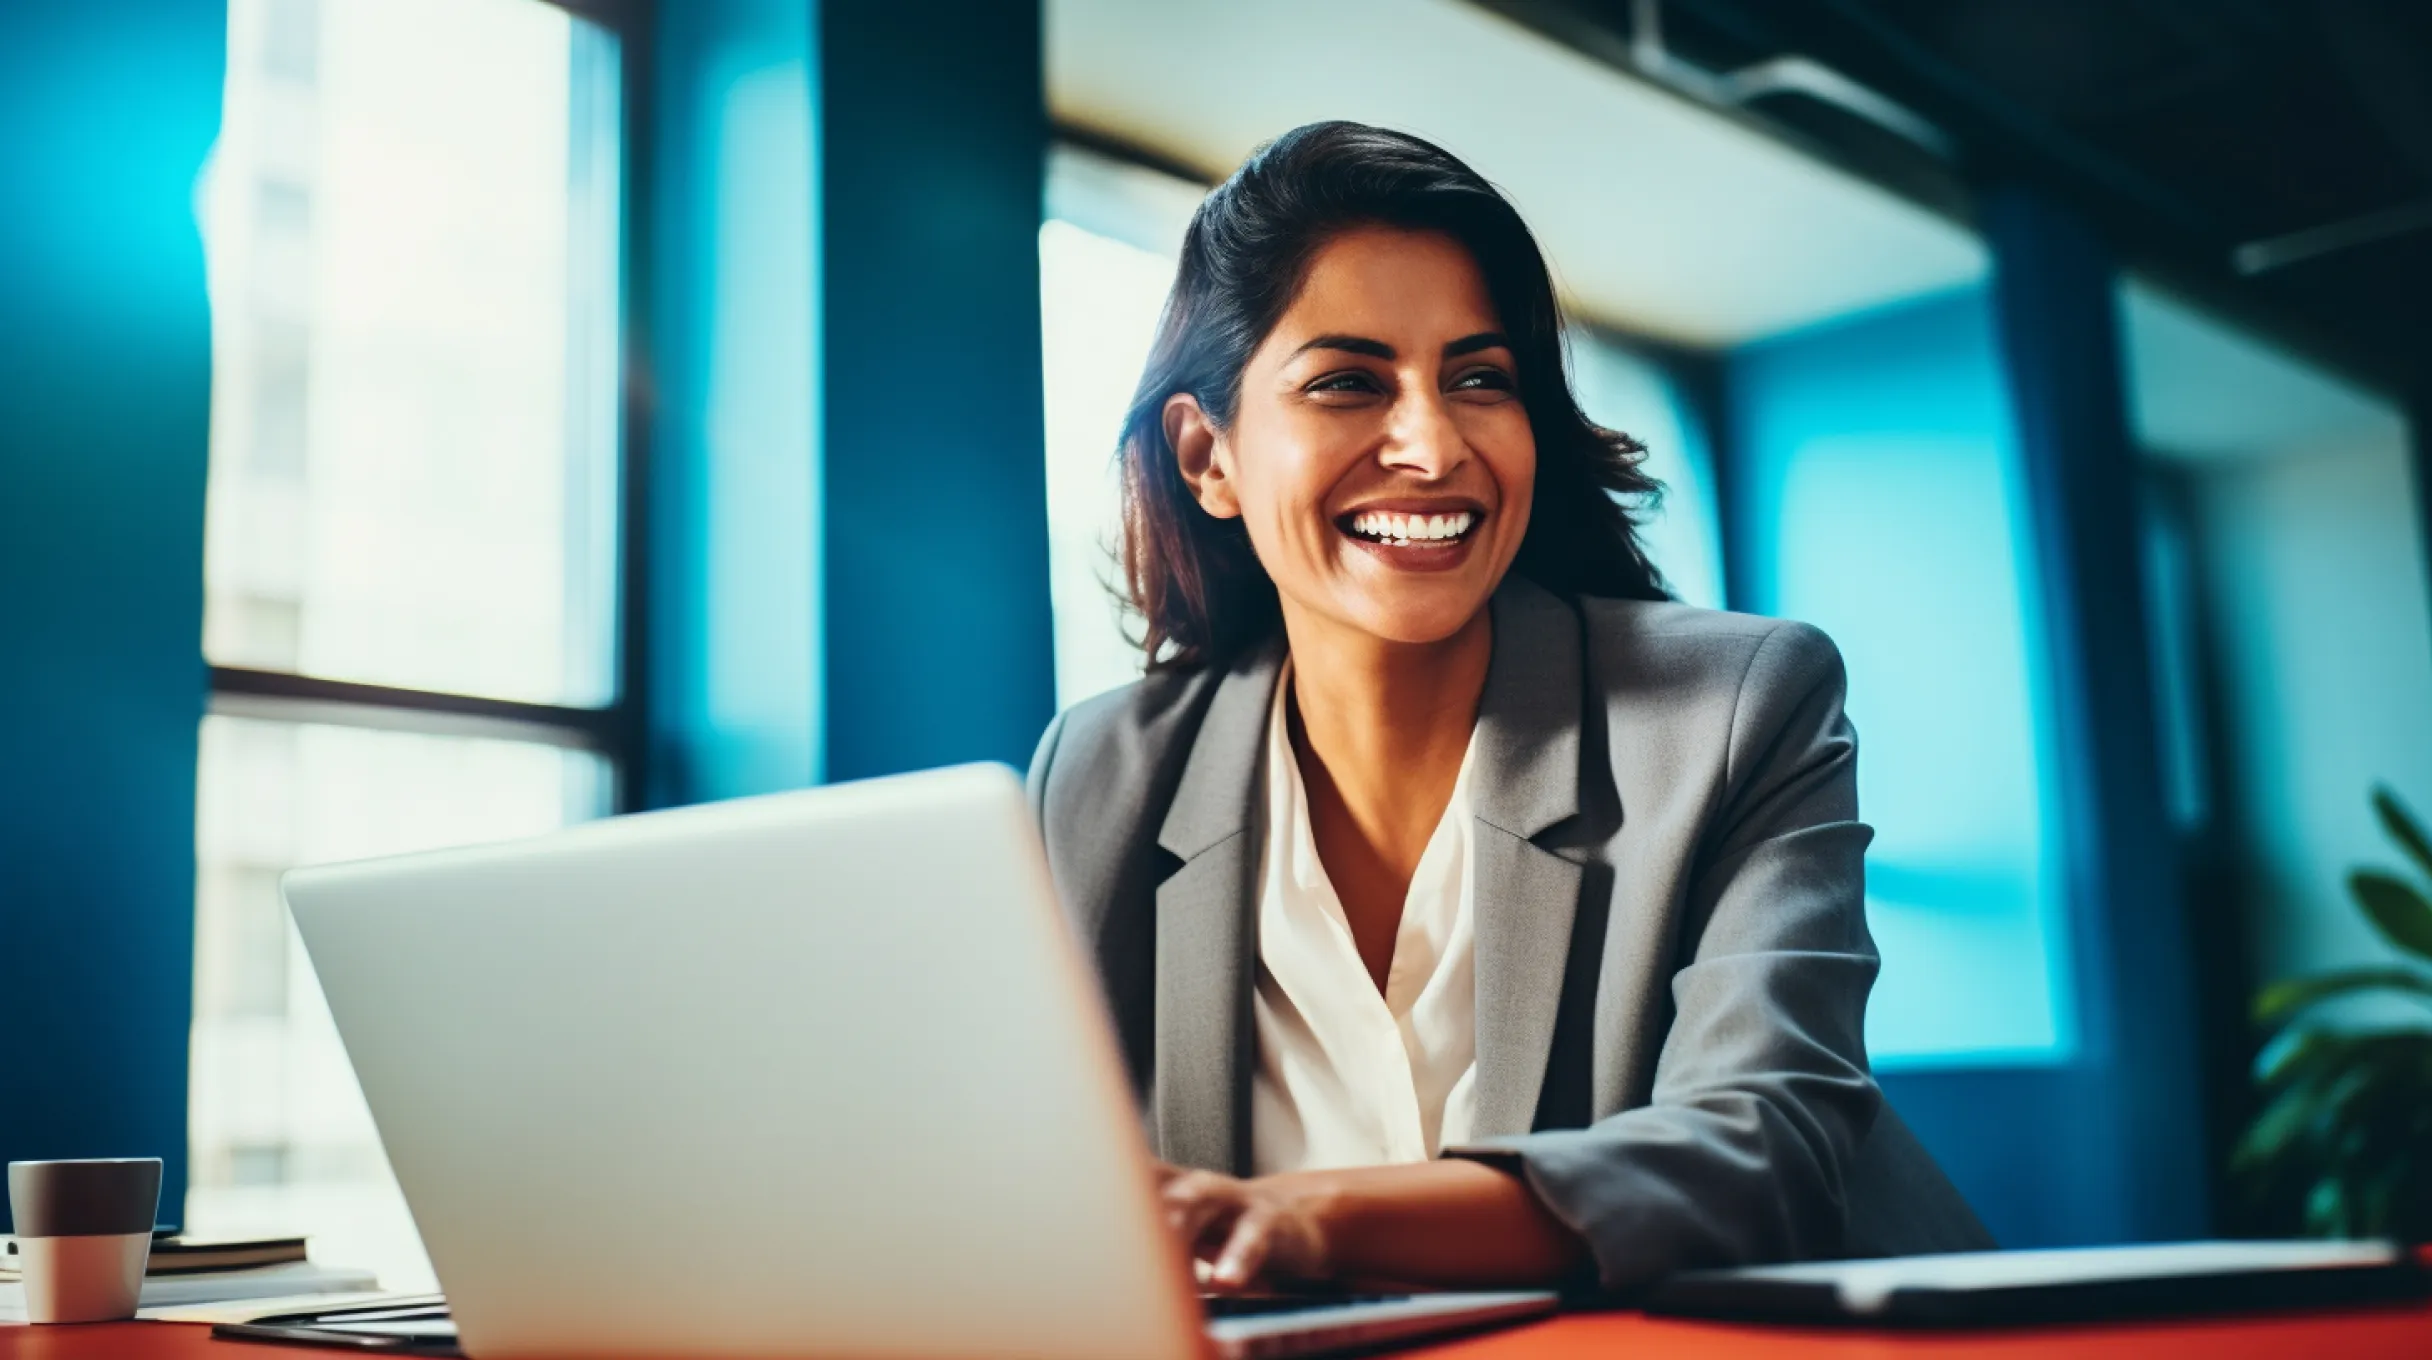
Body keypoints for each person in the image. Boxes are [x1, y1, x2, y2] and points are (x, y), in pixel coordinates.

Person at [1026, 120, 1989, 1295]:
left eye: (1479, 379)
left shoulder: (1734, 706)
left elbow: (1761, 1149)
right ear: (1205, 456)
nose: (1433, 446)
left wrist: (1311, 1219)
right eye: (1346, 383)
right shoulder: (1099, 772)